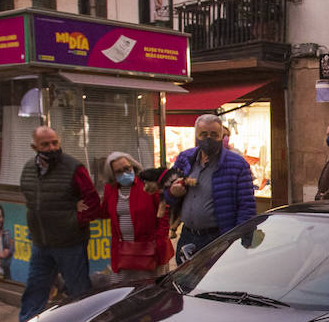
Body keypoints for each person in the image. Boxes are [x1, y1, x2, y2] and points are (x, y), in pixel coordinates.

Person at [17, 126, 100, 322]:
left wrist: (75, 221)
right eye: (45, 144)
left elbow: (93, 203)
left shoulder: (73, 168)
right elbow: (31, 200)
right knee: (35, 290)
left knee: (78, 292)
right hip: (41, 244)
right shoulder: (29, 169)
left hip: (69, 243)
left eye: (54, 142)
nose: (51, 148)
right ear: (34, 146)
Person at [166, 113, 257, 262]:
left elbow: (246, 206)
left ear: (222, 136)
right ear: (197, 135)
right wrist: (172, 192)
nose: (208, 139)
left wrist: (236, 240)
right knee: (186, 283)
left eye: (214, 134)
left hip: (218, 237)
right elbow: (168, 194)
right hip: (188, 235)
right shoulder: (185, 159)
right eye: (203, 134)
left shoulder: (237, 164)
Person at [100, 152, 172, 281]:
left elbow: (164, 214)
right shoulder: (110, 189)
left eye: (127, 168)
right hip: (123, 252)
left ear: (133, 166)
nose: (125, 173)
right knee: (122, 290)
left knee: (151, 291)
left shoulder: (148, 185)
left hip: (149, 251)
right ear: (112, 174)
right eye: (119, 171)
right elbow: (104, 212)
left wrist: (159, 240)